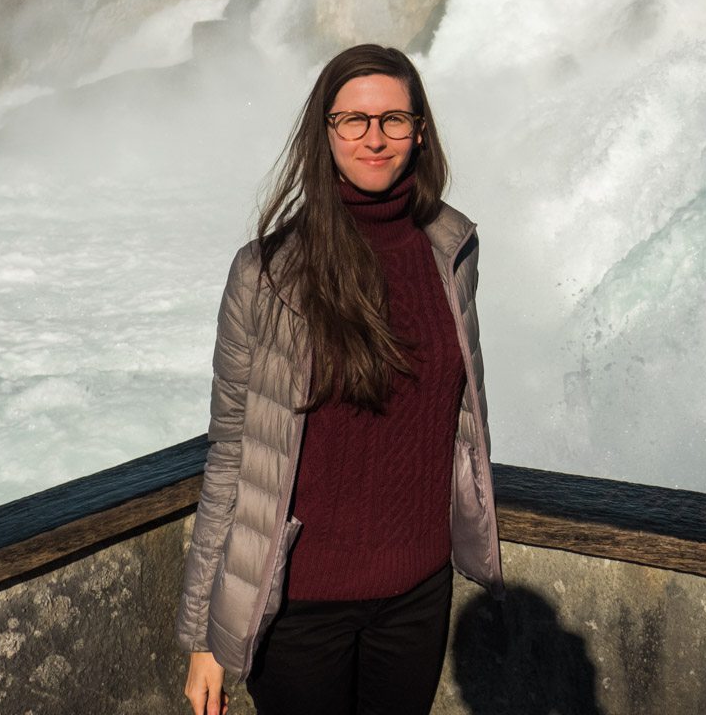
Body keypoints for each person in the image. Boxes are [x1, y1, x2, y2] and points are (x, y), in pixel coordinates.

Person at [178, 44, 503, 715]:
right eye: (352, 120)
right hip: (301, 606)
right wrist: (204, 636)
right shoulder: (267, 272)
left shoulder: (452, 249)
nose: (373, 137)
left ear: (420, 132)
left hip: (417, 594)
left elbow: (461, 415)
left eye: (393, 119)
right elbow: (234, 455)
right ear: (323, 133)